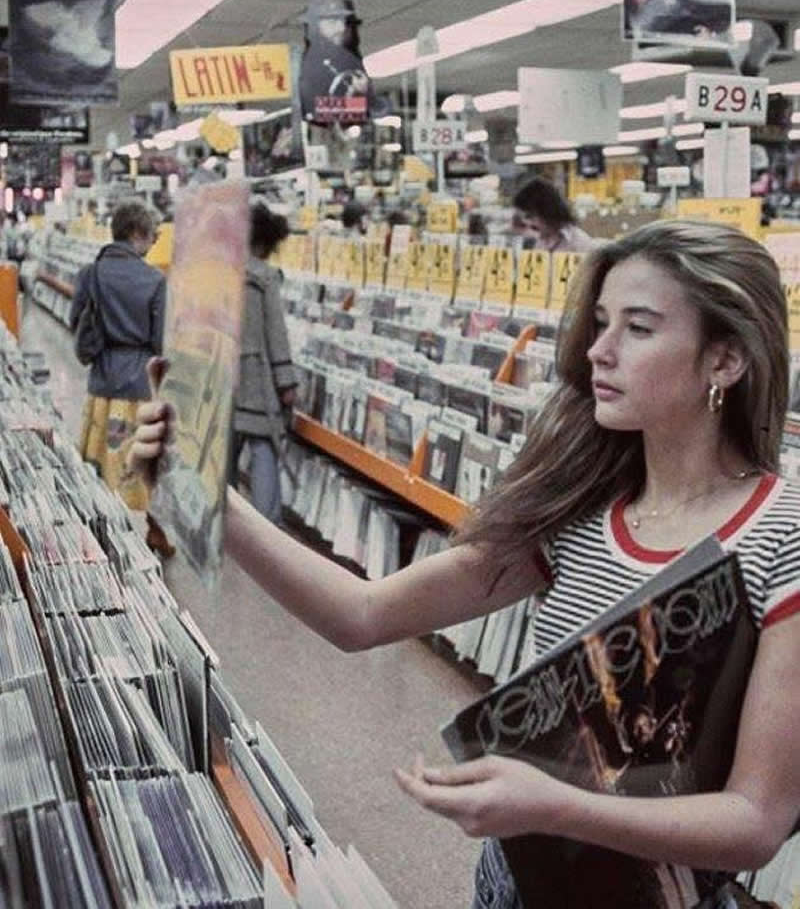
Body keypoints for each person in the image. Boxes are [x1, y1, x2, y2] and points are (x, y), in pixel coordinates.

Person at [129, 220, 800, 907]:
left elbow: (756, 822)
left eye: (639, 328)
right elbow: (362, 614)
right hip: (514, 882)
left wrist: (558, 806)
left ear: (725, 360)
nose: (599, 351)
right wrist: (211, 495)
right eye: (600, 323)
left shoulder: (783, 536)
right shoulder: (581, 512)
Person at [70, 200, 167, 543]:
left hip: (101, 382)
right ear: (137, 233)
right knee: (140, 460)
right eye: (153, 236)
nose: (154, 243)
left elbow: (76, 322)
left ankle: (103, 531)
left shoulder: (90, 273)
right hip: (139, 385)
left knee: (100, 459)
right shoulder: (155, 280)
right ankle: (152, 530)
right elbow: (161, 341)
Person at [231, 202, 296, 526]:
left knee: (222, 454)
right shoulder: (265, 277)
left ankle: (221, 520)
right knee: (264, 447)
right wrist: (287, 381)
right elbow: (276, 332)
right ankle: (265, 523)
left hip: (222, 375)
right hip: (256, 377)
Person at [512, 176, 596, 252]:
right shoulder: (538, 243)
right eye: (524, 218)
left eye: (530, 216)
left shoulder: (579, 243)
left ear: (547, 211)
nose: (528, 223)